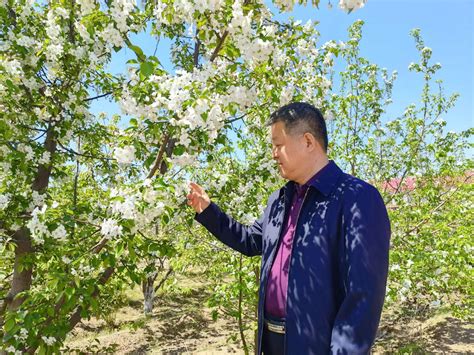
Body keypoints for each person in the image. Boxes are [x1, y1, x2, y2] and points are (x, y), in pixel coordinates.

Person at [187, 102, 391, 355]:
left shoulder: (356, 198)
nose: (273, 154)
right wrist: (208, 211)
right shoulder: (280, 200)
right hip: (271, 342)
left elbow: (363, 295)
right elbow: (251, 241)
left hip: (316, 345)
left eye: (278, 144)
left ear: (307, 141)